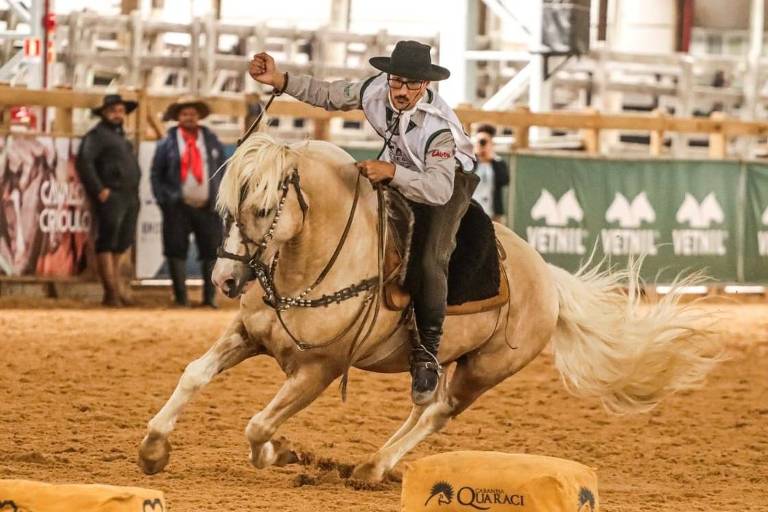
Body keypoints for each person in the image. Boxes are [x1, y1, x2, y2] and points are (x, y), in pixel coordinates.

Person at [249, 40, 478, 404]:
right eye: (396, 82)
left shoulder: (439, 129)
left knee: (428, 259)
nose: (401, 91)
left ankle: (428, 355)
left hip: (448, 182)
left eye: (410, 85)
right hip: (399, 168)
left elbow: (437, 189)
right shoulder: (375, 89)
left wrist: (391, 171)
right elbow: (329, 93)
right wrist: (280, 79)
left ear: (426, 86)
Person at [150, 97, 226, 308]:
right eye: (184, 114)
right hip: (177, 206)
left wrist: (219, 195)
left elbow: (222, 169)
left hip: (207, 206)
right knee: (175, 249)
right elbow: (156, 174)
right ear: (177, 118)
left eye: (193, 113)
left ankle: (209, 299)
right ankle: (181, 298)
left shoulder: (211, 140)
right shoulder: (168, 143)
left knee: (211, 250)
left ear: (199, 116)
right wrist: (165, 199)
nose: (189, 117)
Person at [76, 94, 141, 307]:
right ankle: (111, 292)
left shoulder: (120, 136)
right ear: (104, 113)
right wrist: (99, 190)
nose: (118, 114)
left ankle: (117, 289)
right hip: (112, 194)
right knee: (108, 242)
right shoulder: (96, 135)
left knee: (120, 243)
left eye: (121, 110)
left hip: (128, 194)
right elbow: (85, 162)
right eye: (113, 110)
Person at [473, 124, 509, 223]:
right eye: (480, 141)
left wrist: (491, 158)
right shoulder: (471, 161)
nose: (482, 144)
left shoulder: (498, 162)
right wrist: (476, 156)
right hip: (471, 209)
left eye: (485, 142)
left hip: (492, 212)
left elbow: (504, 180)